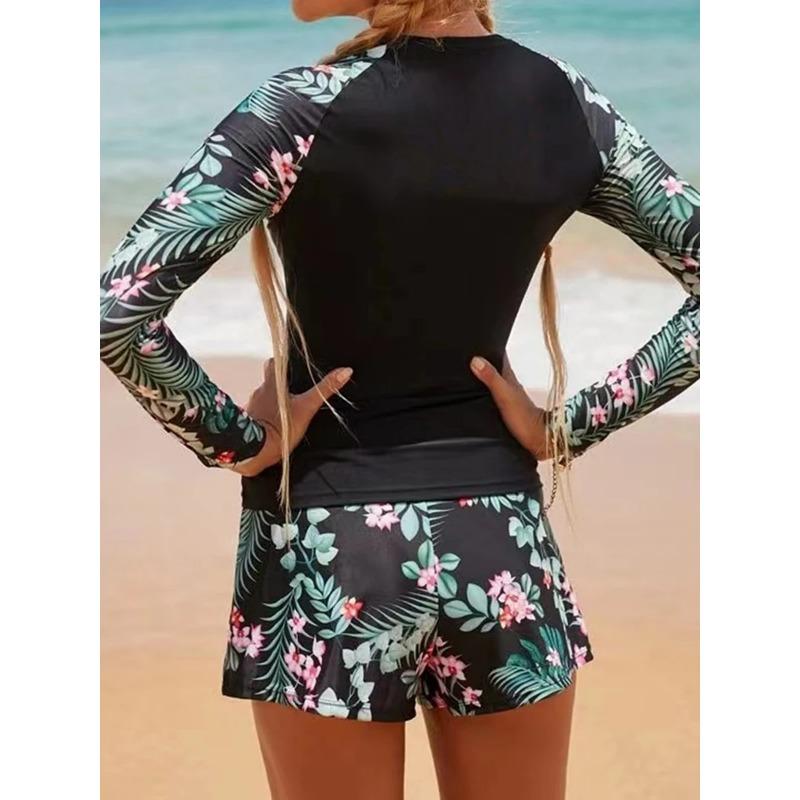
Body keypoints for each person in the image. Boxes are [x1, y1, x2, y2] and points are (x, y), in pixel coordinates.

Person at [99, 1, 699, 797]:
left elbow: (119, 313)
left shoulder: (295, 111)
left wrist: (242, 440)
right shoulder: (569, 105)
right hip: (500, 547)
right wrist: (568, 426)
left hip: (324, 551)